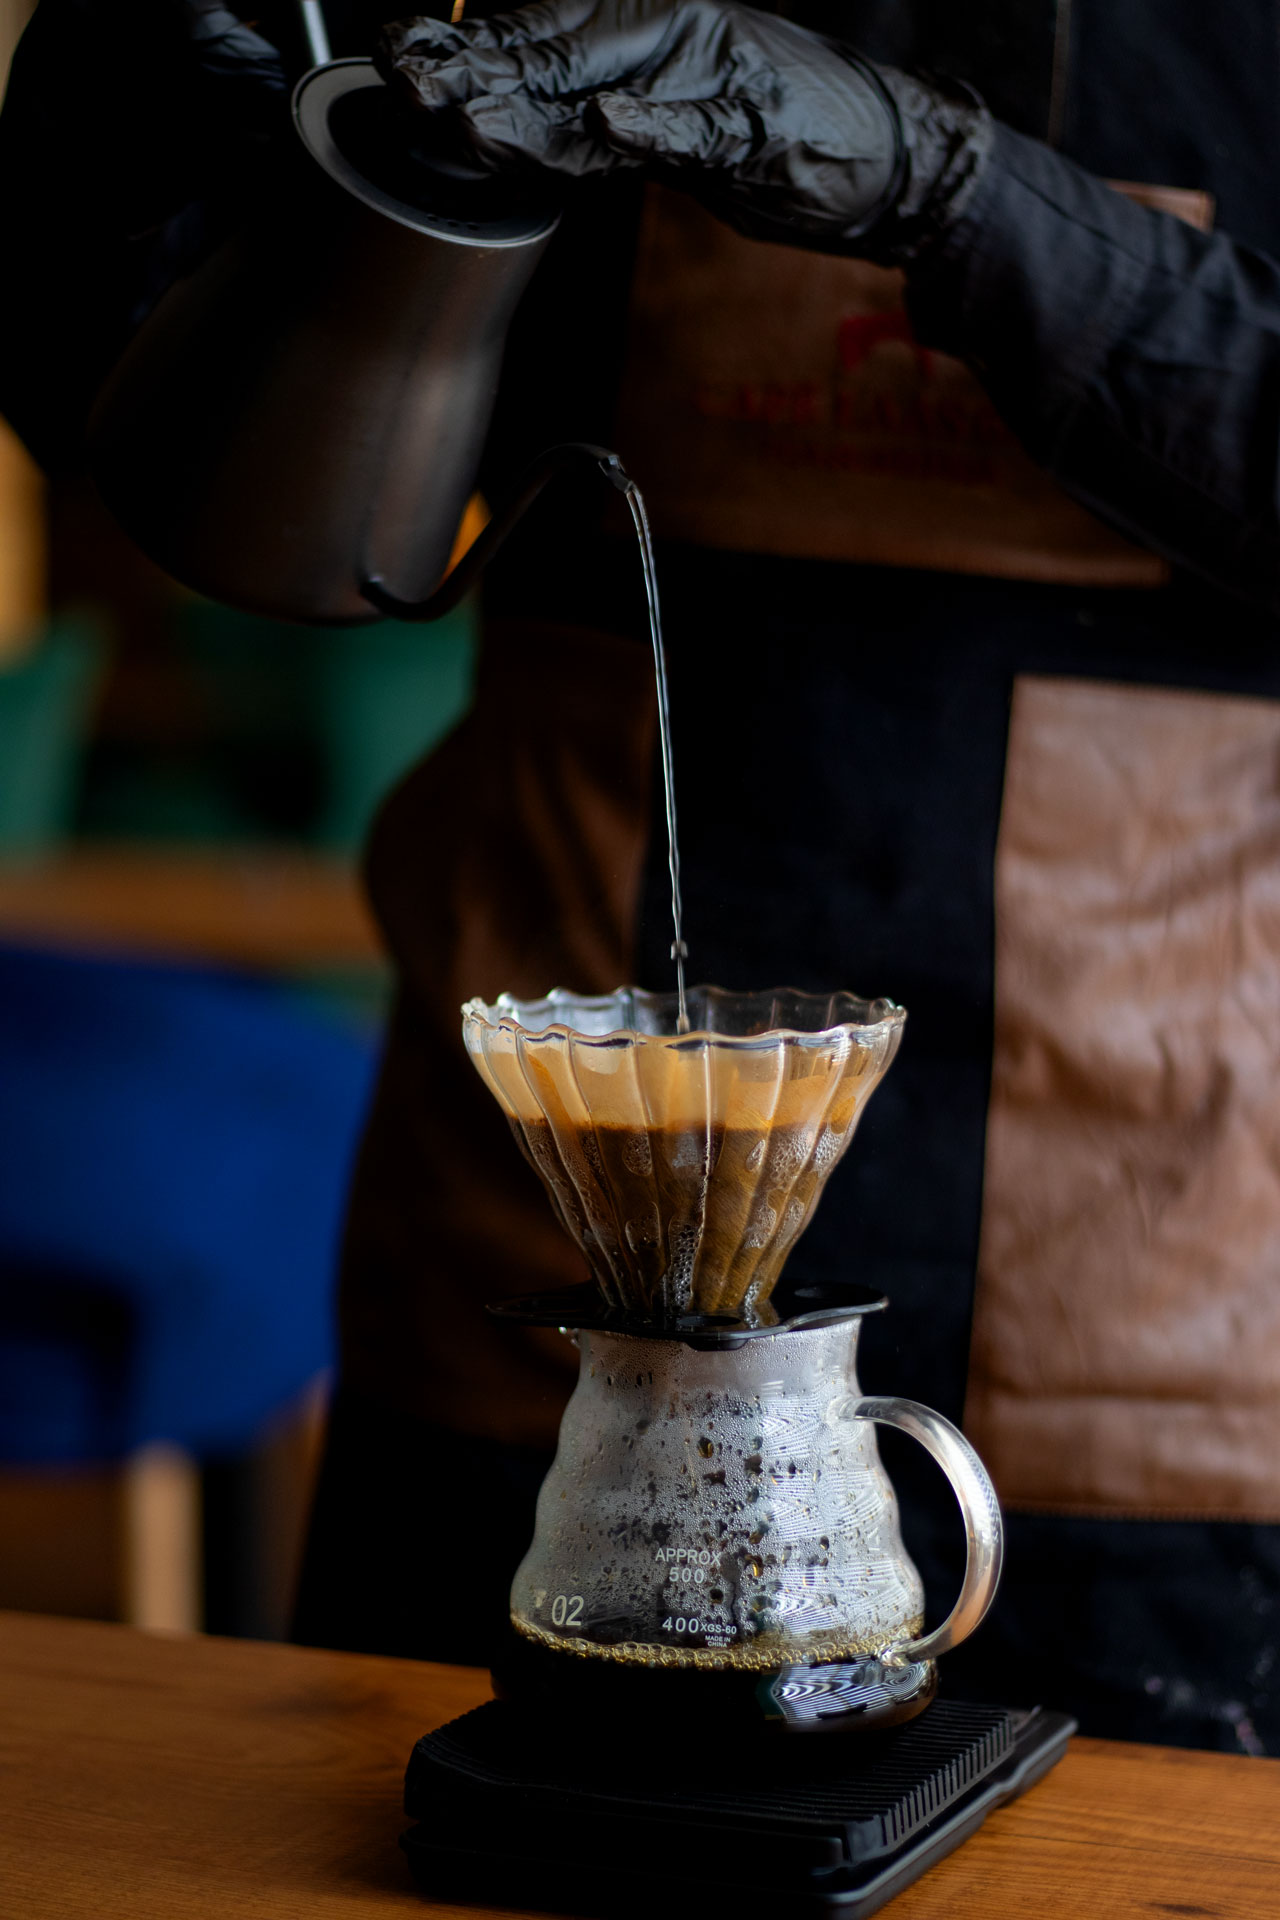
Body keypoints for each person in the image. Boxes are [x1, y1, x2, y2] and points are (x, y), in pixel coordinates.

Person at [4, 0, 1280, 1752]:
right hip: (532, 1261)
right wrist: (114, 164)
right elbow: (217, 497)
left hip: (1154, 1299)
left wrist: (947, 190)